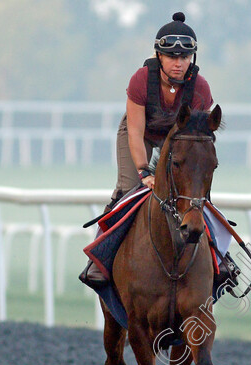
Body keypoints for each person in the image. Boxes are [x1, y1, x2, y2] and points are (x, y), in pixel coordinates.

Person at [81, 12, 236, 292]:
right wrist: (143, 172)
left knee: (197, 196)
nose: (178, 63)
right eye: (171, 56)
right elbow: (136, 132)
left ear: (192, 59)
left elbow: (199, 140)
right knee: (127, 189)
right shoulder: (141, 80)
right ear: (159, 56)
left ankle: (221, 258)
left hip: (178, 139)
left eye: (184, 57)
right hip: (140, 135)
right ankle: (99, 259)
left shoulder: (200, 88)